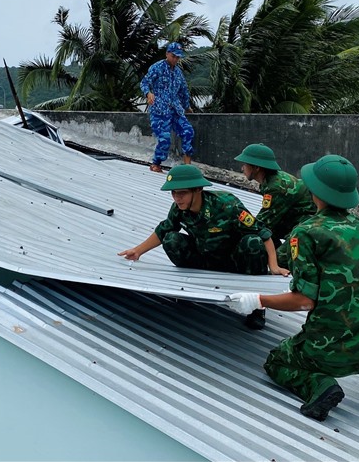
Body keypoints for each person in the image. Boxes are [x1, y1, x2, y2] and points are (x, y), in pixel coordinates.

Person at [226, 155, 359, 428]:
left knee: (277, 363)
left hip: (328, 352)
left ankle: (320, 386)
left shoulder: (306, 233)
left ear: (315, 190)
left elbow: (304, 300)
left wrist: (257, 299)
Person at [118, 164, 289, 330]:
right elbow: (164, 230)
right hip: (205, 259)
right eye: (174, 193)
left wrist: (273, 267)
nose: (177, 198)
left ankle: (257, 308)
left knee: (253, 242)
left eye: (182, 193)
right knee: (172, 240)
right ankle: (189, 290)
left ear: (198, 190)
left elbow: (264, 234)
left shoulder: (227, 205)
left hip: (234, 261)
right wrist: (138, 251)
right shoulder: (179, 208)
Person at [235, 143, 316, 267]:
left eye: (245, 164)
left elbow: (262, 222)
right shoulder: (269, 181)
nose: (242, 168)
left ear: (256, 168)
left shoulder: (276, 187)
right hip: (295, 220)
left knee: (276, 259)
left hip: (309, 226)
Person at [141, 42, 194, 173]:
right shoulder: (157, 67)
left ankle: (187, 167)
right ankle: (156, 163)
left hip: (175, 109)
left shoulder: (178, 73)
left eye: (178, 57)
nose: (175, 59)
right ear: (167, 54)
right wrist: (148, 93)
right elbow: (145, 82)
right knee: (164, 139)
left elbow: (183, 91)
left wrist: (187, 107)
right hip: (159, 110)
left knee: (188, 131)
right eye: (173, 56)